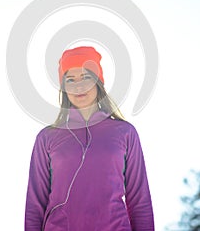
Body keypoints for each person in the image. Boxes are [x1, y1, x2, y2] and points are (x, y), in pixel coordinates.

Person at [25, 46, 155, 231]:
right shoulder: (47, 138)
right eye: (70, 80)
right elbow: (34, 204)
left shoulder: (124, 132)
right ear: (64, 88)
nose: (78, 86)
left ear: (98, 82)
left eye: (86, 77)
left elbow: (139, 200)